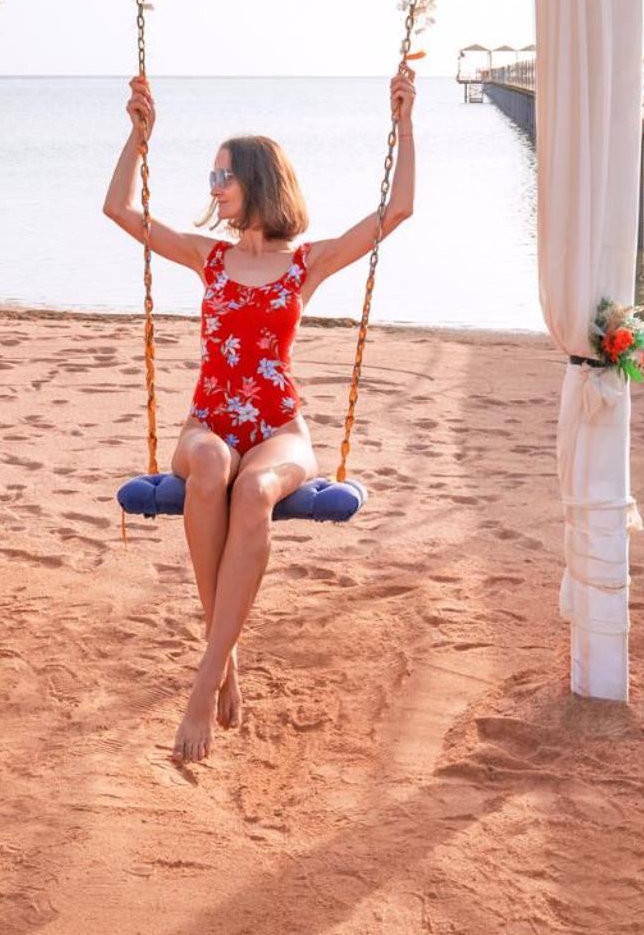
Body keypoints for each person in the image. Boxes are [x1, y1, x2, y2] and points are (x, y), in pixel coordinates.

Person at [102, 67, 416, 763]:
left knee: (255, 487)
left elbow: (396, 213)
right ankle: (226, 655)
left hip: (280, 430)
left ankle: (205, 678)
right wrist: (137, 136)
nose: (214, 189)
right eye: (213, 178)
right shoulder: (207, 258)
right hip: (207, 423)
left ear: (256, 183)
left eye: (223, 177)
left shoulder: (304, 266)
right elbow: (119, 211)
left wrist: (405, 122)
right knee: (213, 466)